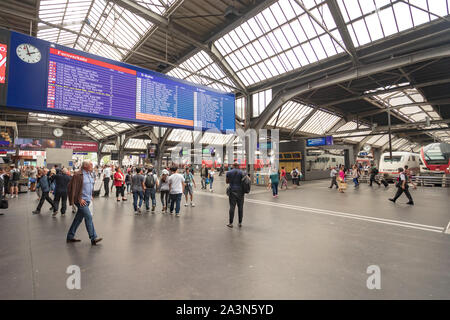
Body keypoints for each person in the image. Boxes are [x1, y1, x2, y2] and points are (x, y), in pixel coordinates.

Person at [66, 160, 102, 245]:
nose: (92, 166)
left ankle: (70, 236)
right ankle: (93, 238)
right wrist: (79, 198)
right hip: (81, 201)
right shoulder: (78, 175)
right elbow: (71, 187)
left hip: (88, 199)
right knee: (88, 217)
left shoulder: (90, 174)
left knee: (78, 219)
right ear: (85, 166)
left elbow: (90, 185)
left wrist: (91, 195)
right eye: (91, 165)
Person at [226, 162, 245, 228]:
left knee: (232, 207)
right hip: (240, 192)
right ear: (238, 166)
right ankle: (240, 223)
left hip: (232, 191)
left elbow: (227, 182)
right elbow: (245, 181)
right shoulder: (242, 173)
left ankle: (230, 223)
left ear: (233, 166)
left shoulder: (229, 172)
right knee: (240, 207)